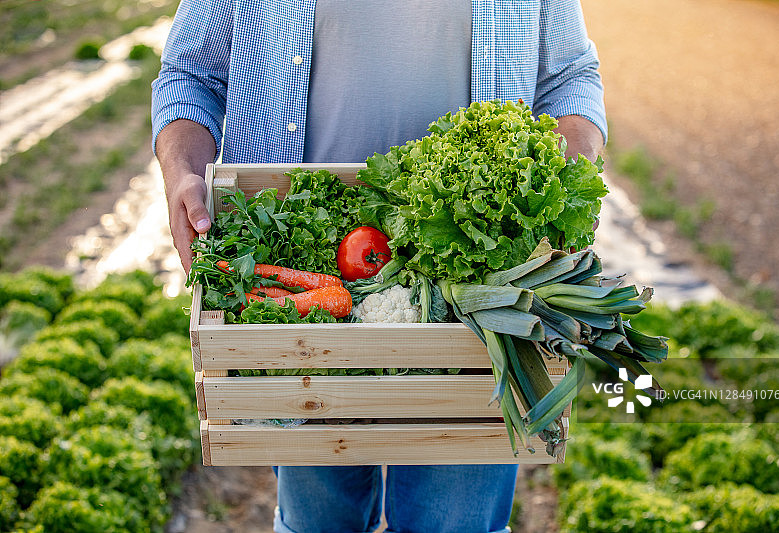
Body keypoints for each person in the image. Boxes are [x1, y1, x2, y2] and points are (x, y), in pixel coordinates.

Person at [153, 2, 606, 532]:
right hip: (309, 275)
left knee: (456, 523)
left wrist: (563, 184)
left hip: (481, 284)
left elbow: (571, 79)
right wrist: (182, 172)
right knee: (319, 522)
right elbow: (190, 76)